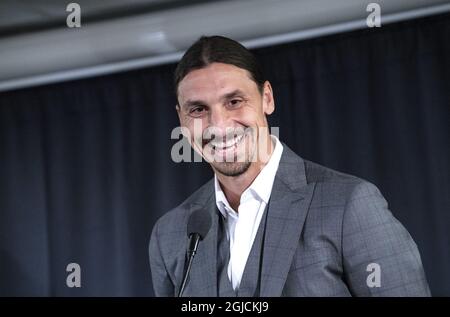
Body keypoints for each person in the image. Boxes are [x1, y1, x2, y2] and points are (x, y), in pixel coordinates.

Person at [149, 35, 430, 296]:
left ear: (267, 98)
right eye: (198, 110)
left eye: (234, 101)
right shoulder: (170, 233)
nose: (219, 126)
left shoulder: (349, 204)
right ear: (181, 119)